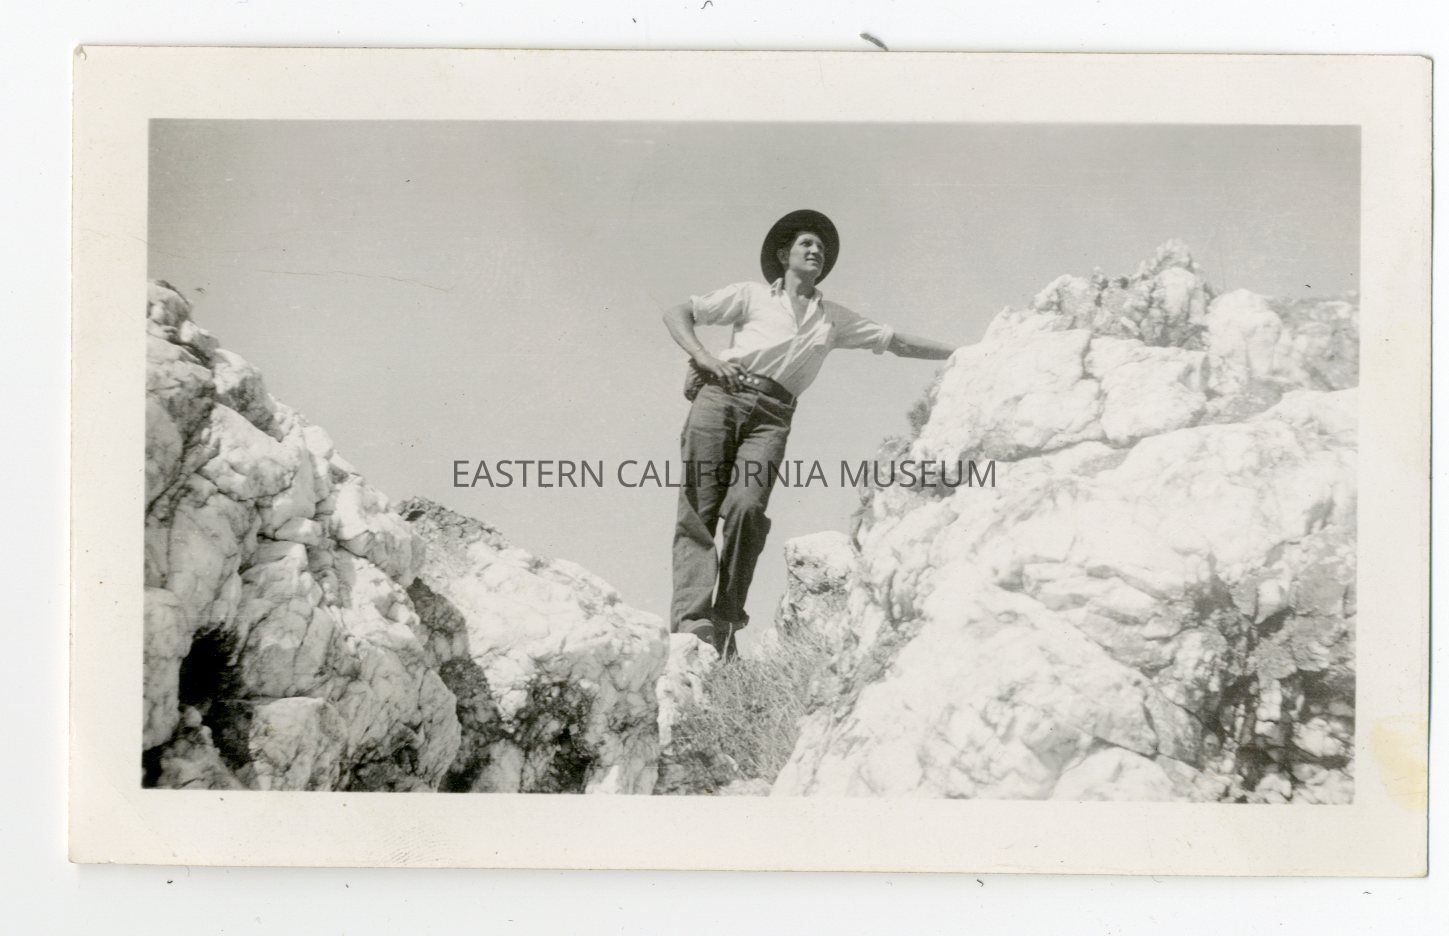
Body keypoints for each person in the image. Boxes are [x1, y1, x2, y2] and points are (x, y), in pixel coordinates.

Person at [662, 209, 958, 658]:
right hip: (722, 396)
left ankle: (726, 618)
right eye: (806, 243)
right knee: (698, 509)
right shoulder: (750, 295)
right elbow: (678, 312)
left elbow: (895, 341)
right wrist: (704, 357)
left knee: (747, 508)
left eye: (820, 247)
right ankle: (693, 625)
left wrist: (964, 353)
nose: (816, 250)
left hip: (773, 415)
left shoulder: (831, 318)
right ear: (784, 255)